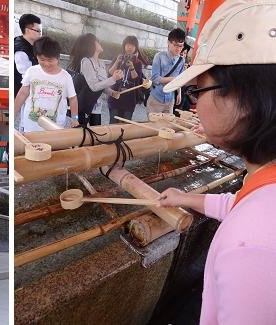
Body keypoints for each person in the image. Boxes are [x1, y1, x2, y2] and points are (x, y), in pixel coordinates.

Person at [159, 1, 276, 323]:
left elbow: (250, 225)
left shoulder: (251, 247)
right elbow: (243, 204)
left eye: (198, 92)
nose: (195, 107)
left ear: (245, 98)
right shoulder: (265, 189)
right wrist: (186, 198)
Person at [14, 36, 79, 131]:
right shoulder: (32, 71)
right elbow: (22, 93)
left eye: (50, 60)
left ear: (58, 58)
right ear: (36, 56)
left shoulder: (65, 77)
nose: (46, 64)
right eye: (42, 59)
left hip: (54, 126)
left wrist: (75, 119)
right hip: (31, 125)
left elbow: (73, 99)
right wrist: (14, 113)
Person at [67, 33, 122, 126]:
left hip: (96, 107)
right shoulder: (86, 61)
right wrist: (113, 78)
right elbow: (94, 86)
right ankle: (74, 119)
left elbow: (102, 84)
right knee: (80, 133)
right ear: (90, 44)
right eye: (96, 41)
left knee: (96, 134)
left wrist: (111, 92)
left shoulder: (101, 62)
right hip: (83, 106)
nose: (99, 42)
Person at [147, 28, 186, 117]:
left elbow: (179, 79)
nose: (179, 49)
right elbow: (155, 78)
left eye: (181, 46)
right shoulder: (159, 56)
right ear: (168, 42)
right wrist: (172, 79)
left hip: (170, 100)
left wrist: (179, 93)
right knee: (154, 127)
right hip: (156, 98)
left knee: (167, 127)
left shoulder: (181, 60)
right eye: (176, 45)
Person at [107, 36, 146, 123]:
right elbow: (110, 72)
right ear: (124, 46)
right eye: (127, 45)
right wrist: (117, 61)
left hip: (129, 100)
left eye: (132, 45)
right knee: (113, 125)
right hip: (115, 97)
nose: (129, 47)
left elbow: (137, 79)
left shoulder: (137, 62)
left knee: (125, 127)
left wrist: (132, 67)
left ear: (135, 48)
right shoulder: (119, 58)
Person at [14, 14, 41, 97]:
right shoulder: (20, 50)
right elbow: (27, 76)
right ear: (27, 30)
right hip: (22, 94)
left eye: (40, 31)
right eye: (37, 31)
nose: (40, 33)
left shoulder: (31, 45)